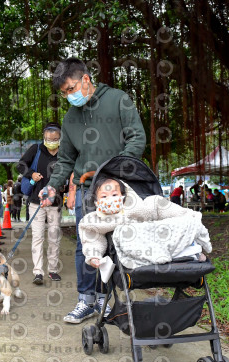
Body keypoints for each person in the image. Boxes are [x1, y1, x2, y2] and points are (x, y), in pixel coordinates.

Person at [40, 57, 146, 324]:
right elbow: (65, 160)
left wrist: (116, 173)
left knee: (118, 243)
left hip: (119, 190)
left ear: (85, 80)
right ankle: (86, 300)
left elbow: (137, 138)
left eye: (70, 89)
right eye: (64, 93)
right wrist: (52, 187)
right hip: (87, 192)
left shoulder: (118, 100)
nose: (68, 96)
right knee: (85, 246)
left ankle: (107, 299)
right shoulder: (70, 118)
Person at [79, 177, 211, 269]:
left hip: (156, 238)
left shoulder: (139, 208)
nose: (110, 199)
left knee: (174, 223)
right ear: (96, 201)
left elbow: (161, 206)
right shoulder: (95, 220)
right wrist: (93, 255)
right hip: (134, 249)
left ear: (124, 196)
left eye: (114, 195)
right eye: (104, 196)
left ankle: (191, 251)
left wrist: (189, 216)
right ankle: (190, 254)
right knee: (124, 233)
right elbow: (92, 238)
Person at [17, 122, 66, 285]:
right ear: (44, 137)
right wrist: (32, 174)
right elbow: (20, 165)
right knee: (37, 237)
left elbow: (70, 171)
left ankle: (53, 269)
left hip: (55, 202)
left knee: (54, 237)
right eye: (48, 138)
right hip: (36, 202)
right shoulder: (36, 149)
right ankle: (38, 272)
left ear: (60, 138)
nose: (51, 141)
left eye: (54, 139)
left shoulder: (65, 152)